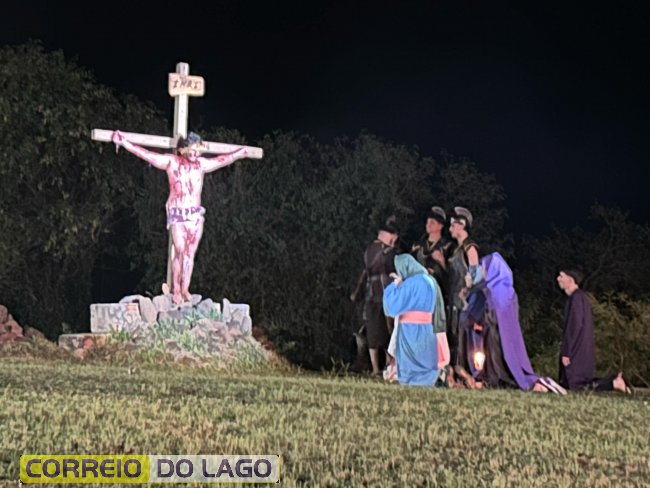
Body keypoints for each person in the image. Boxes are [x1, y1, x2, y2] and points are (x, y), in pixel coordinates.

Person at [112, 130, 251, 305]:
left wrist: (238, 153)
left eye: (197, 150)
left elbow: (221, 160)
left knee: (190, 253)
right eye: (191, 149)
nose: (194, 153)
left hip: (194, 214)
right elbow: (148, 155)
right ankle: (176, 289)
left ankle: (185, 288)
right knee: (179, 250)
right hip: (178, 213)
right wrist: (125, 143)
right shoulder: (172, 162)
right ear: (184, 149)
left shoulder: (201, 164)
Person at [463, 252, 565, 393]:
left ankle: (511, 381)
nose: (484, 272)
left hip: (497, 333)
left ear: (494, 269)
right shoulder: (502, 289)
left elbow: (495, 313)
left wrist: (483, 323)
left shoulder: (497, 290)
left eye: (486, 268)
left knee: (500, 360)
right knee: (499, 360)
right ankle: (499, 380)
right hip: (499, 332)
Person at [557, 269, 631, 393]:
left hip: (576, 349)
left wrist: (567, 351)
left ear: (570, 279)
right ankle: (614, 381)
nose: (558, 279)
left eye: (561, 276)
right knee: (571, 384)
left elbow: (574, 326)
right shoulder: (579, 297)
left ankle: (613, 383)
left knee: (577, 385)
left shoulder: (577, 298)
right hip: (580, 347)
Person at [350, 218, 399, 375]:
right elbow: (392, 272)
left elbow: (364, 274)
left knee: (373, 333)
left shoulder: (368, 250)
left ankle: (375, 368)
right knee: (388, 332)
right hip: (386, 296)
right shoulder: (388, 252)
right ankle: (388, 367)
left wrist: (357, 293)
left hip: (370, 295)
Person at [383, 254, 441, 386]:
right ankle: (428, 378)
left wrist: (395, 285)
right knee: (425, 355)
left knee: (411, 357)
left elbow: (392, 305)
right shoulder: (430, 281)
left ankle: (411, 378)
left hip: (410, 328)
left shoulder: (411, 283)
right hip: (428, 327)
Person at [446, 207, 483, 385]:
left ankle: (467, 372)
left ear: (461, 225)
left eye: (453, 225)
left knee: (462, 335)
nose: (450, 229)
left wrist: (466, 290)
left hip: (466, 301)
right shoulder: (456, 249)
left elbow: (476, 275)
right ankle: (454, 371)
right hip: (454, 298)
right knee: (453, 334)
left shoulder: (470, 248)